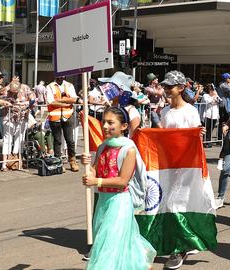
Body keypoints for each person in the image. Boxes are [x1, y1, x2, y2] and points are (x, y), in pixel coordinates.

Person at [81, 106, 156, 270]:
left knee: (110, 244)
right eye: (103, 122)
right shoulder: (103, 146)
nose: (105, 126)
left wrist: (96, 182)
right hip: (103, 202)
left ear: (123, 126)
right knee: (120, 243)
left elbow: (122, 181)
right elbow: (95, 169)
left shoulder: (128, 149)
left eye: (110, 122)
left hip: (120, 202)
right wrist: (88, 166)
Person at [158, 71, 205, 269]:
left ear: (181, 88)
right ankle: (186, 240)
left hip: (186, 168)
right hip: (168, 167)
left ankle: (179, 249)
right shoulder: (164, 112)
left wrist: (198, 134)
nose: (167, 90)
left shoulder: (191, 111)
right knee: (170, 205)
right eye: (165, 86)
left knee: (176, 205)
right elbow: (162, 138)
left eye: (170, 86)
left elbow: (196, 139)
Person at [46, 76, 81, 172]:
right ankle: (58, 163)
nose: (61, 77)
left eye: (62, 75)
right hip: (55, 117)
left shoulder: (69, 85)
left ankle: (72, 161)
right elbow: (51, 102)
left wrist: (60, 100)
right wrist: (66, 102)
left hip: (68, 116)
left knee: (70, 140)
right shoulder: (50, 86)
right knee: (57, 141)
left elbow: (74, 99)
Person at [0, 82, 30, 171]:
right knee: (7, 140)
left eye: (15, 92)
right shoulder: (6, 91)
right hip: (8, 119)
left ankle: (16, 161)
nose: (14, 94)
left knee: (19, 139)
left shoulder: (25, 89)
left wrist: (24, 104)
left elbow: (33, 100)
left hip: (21, 119)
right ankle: (4, 164)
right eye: (12, 92)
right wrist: (5, 102)